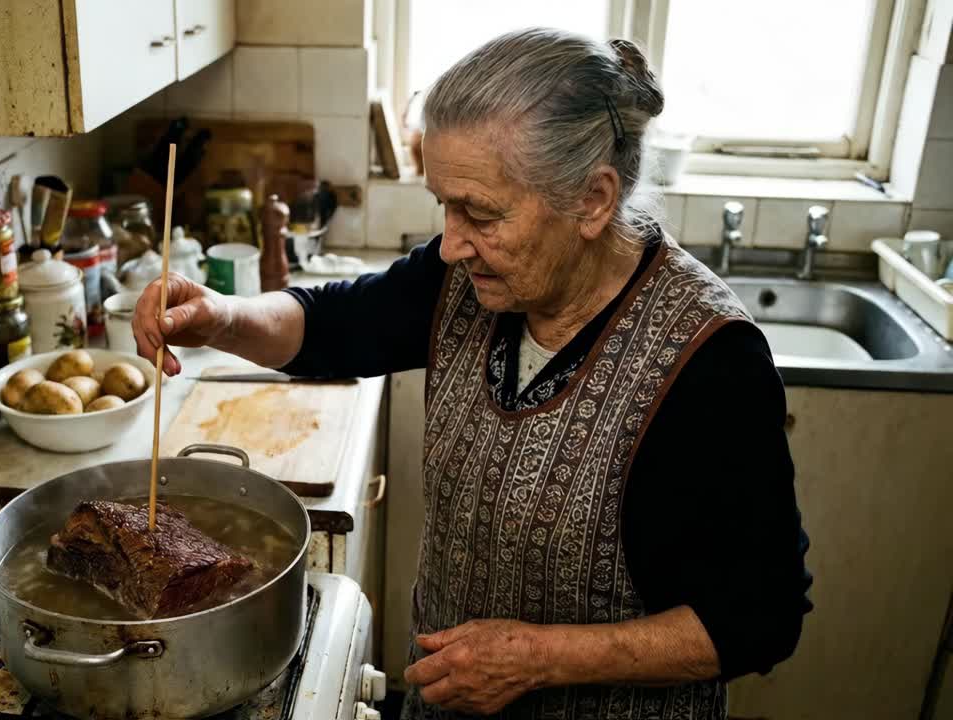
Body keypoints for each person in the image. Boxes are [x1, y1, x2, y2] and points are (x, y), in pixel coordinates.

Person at [134, 28, 811, 720]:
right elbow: (335, 323)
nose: (452, 242)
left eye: (480, 213)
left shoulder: (708, 364)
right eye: (444, 207)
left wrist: (538, 659)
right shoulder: (466, 275)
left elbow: (762, 617)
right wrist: (221, 317)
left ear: (593, 200)